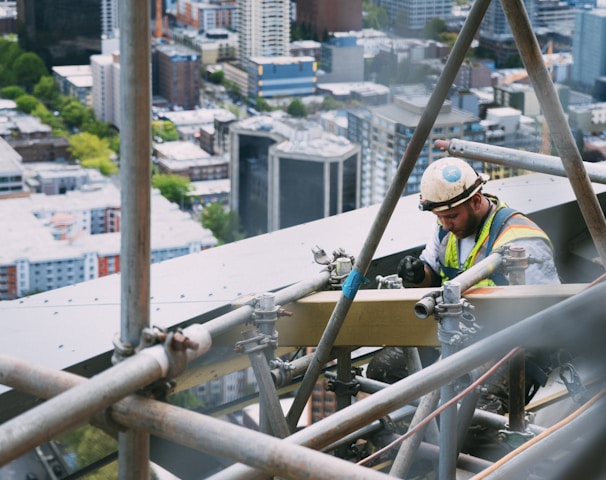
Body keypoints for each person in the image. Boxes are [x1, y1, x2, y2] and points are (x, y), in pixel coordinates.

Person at [398, 157, 560, 288]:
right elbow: (433, 276)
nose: (446, 225)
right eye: (439, 217)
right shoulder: (444, 227)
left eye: (452, 216)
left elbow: (544, 309)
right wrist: (419, 275)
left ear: (475, 202)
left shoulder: (522, 241)